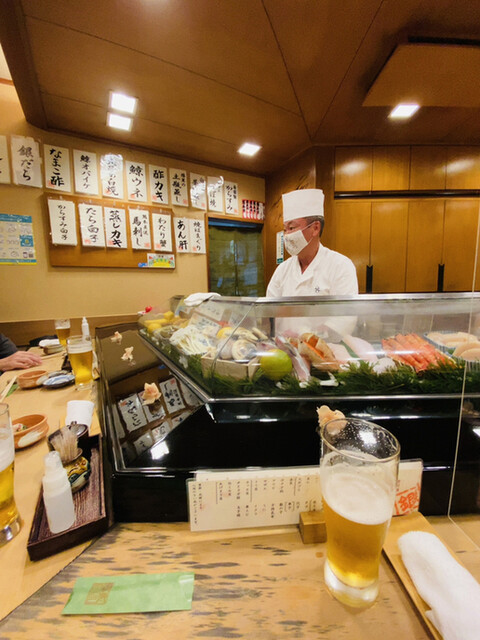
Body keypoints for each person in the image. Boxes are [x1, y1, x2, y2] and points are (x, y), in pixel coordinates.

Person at [266, 188, 358, 297]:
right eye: (285, 229)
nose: (287, 235)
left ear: (315, 228)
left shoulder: (340, 266)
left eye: (292, 227)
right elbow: (270, 306)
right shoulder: (282, 270)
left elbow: (345, 307)